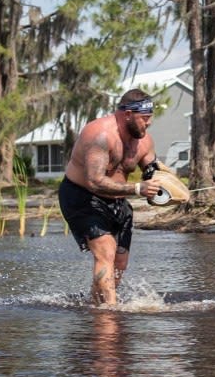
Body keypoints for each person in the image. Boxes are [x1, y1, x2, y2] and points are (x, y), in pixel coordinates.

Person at [59, 88, 162, 306]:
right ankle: (110, 312)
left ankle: (97, 303)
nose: (149, 122)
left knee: (120, 261)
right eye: (144, 118)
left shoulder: (144, 141)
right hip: (82, 196)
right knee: (105, 251)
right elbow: (94, 180)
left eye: (150, 117)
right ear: (127, 115)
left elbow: (153, 171)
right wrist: (137, 189)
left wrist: (166, 188)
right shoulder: (100, 134)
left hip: (117, 198)